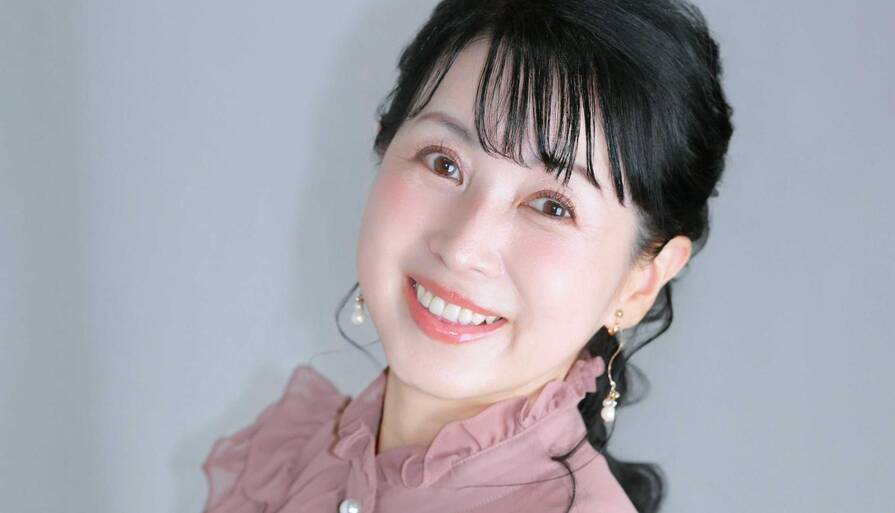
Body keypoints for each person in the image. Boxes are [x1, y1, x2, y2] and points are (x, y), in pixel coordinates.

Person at [201, 0, 734, 512]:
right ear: (384, 147)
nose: (462, 248)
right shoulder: (286, 464)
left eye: (552, 206)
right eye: (444, 163)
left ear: (641, 282)